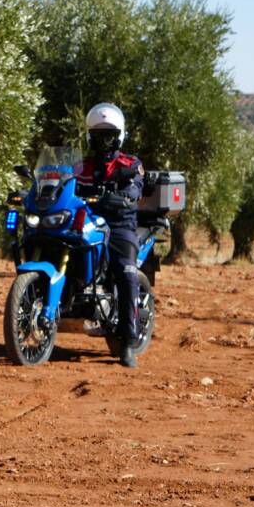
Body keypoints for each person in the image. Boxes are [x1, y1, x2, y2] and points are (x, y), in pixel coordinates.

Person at [77, 102, 144, 368]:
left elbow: (136, 186)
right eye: (98, 133)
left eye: (109, 134)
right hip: (88, 223)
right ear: (89, 135)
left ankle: (128, 341)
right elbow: (64, 183)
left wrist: (128, 196)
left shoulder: (130, 164)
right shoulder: (80, 166)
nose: (104, 139)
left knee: (126, 274)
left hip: (120, 226)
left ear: (119, 135)